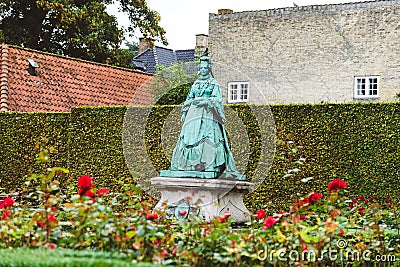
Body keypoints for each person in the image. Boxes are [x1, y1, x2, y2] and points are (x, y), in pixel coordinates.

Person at [168, 56, 243, 180]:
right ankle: (186, 165)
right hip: (193, 115)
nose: (202, 69)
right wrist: (184, 112)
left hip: (208, 115)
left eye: (205, 67)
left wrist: (206, 101)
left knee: (208, 138)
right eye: (201, 67)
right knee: (187, 138)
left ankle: (210, 165)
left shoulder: (214, 84)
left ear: (209, 69)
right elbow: (189, 99)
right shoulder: (196, 83)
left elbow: (217, 99)